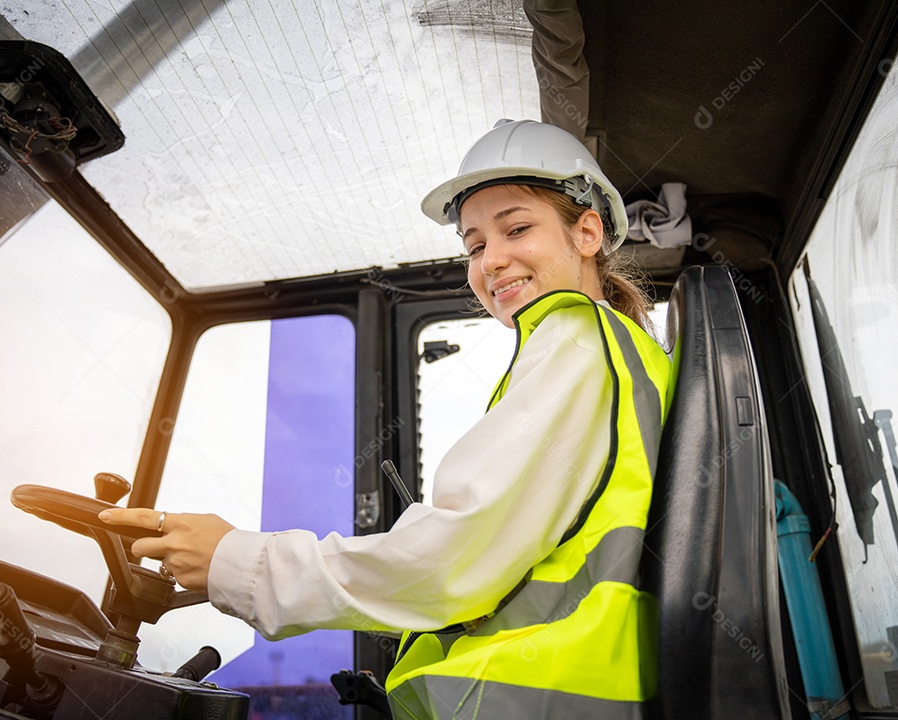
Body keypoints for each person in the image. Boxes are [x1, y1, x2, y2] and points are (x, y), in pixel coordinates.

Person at [100, 119, 671, 719]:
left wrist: (239, 560)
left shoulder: (576, 341)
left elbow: (453, 560)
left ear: (586, 232)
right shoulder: (616, 353)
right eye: (474, 246)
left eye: (517, 229)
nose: (491, 261)